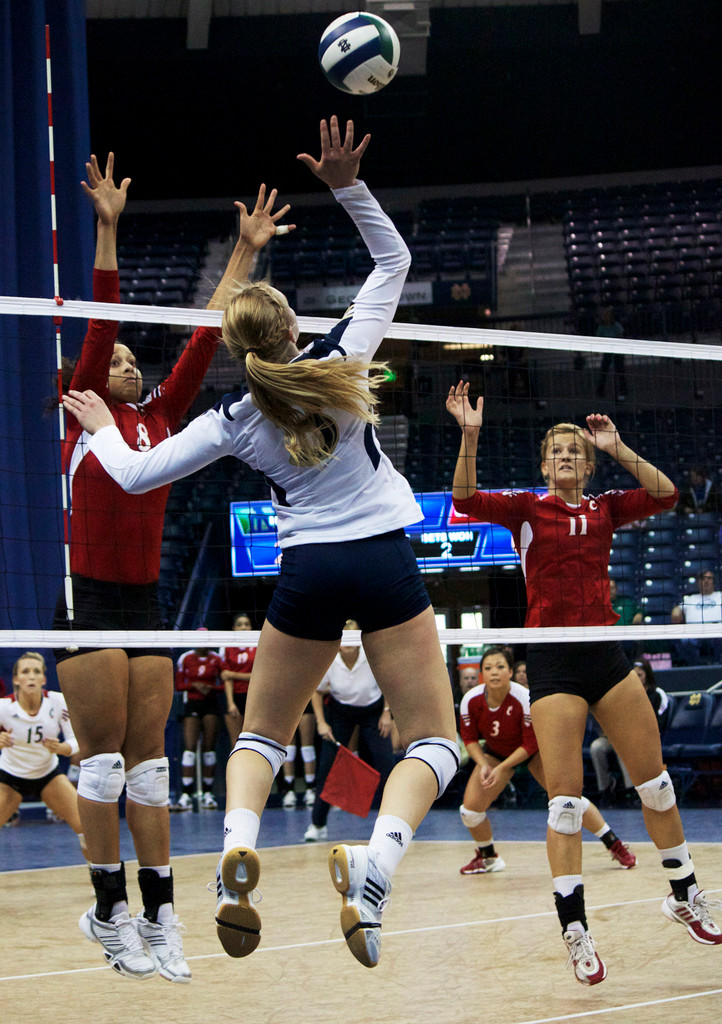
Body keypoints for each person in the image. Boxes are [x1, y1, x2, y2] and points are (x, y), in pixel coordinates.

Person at [62, 117, 460, 971]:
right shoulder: (344, 356)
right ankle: (376, 864)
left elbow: (136, 474)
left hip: (307, 571)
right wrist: (347, 186)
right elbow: (394, 263)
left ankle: (237, 850)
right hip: (384, 561)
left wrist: (100, 429)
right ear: (288, 323)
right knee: (435, 741)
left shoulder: (233, 418)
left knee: (263, 735)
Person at [53, 152, 294, 982]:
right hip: (89, 600)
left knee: (150, 769)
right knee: (103, 763)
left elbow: (206, 335)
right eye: (117, 361)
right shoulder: (86, 413)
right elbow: (98, 326)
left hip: (146, 601)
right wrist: (107, 229)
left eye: (132, 361)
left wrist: (246, 250)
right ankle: (108, 909)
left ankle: (160, 916)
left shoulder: (159, 419)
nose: (128, 364)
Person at [447, 382, 721, 986]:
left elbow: (667, 494)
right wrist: (469, 434)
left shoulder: (605, 508)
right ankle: (575, 929)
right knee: (566, 804)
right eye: (557, 451)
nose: (566, 456)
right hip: (553, 661)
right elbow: (463, 497)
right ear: (544, 466)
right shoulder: (527, 509)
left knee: (656, 786)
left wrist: (617, 447)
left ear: (588, 464)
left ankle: (684, 894)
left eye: (576, 451)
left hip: (605, 654)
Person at [458, 646, 635, 875]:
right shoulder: (470, 700)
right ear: (482, 673)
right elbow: (470, 739)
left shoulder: (523, 697)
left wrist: (501, 768)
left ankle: (614, 844)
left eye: (500, 667)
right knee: (470, 811)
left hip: (534, 753)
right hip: (495, 754)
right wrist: (483, 764)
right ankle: (488, 857)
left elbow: (530, 744)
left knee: (568, 800)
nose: (494, 672)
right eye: (488, 668)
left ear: (510, 672)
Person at [305, 619, 395, 842]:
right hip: (340, 713)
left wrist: (387, 712)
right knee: (327, 766)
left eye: (352, 636)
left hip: (373, 712)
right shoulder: (329, 659)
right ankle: (318, 824)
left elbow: (390, 682)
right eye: (344, 636)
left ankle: (396, 825)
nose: (347, 641)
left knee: (387, 766)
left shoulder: (371, 656)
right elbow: (316, 691)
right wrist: (321, 723)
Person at [0, 653, 86, 856]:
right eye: (25, 672)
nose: (31, 676)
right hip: (10, 777)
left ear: (44, 679)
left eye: (36, 671)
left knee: (87, 827)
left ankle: (98, 873)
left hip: (48, 775)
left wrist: (62, 748)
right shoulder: (4, 706)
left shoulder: (56, 701)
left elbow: (75, 740)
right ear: (16, 679)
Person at [590, 658, 671, 805]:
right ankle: (605, 788)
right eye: (634, 675)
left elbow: (660, 721)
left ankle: (631, 790)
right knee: (596, 747)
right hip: (617, 735)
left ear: (647, 675)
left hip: (641, 736)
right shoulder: (623, 693)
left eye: (640, 675)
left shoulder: (657, 694)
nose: (637, 678)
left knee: (622, 746)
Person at [173, 630, 223, 811]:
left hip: (211, 704)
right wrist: (194, 685)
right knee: (190, 749)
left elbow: (225, 683)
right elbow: (178, 685)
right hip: (192, 704)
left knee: (209, 749)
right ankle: (186, 794)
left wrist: (210, 688)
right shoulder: (185, 658)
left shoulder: (217, 659)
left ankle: (208, 793)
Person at [219, 613, 257, 746]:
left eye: (247, 624)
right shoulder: (226, 646)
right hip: (235, 696)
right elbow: (225, 677)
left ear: (251, 627)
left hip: (254, 697)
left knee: (254, 739)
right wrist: (231, 703)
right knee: (236, 741)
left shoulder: (258, 644)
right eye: (240, 625)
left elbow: (258, 676)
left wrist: (233, 674)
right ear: (234, 628)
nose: (243, 627)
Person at [670, 569, 722, 665]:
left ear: (713, 581)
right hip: (694, 633)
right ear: (698, 582)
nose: (706, 581)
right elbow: (678, 609)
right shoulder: (691, 599)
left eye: (709, 578)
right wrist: (676, 610)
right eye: (703, 578)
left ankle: (717, 664)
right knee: (685, 642)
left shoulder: (720, 595)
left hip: (717, 632)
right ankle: (696, 667)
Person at [279, 706, 317, 810]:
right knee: (289, 749)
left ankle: (310, 789)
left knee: (307, 748)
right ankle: (289, 790)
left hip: (306, 704)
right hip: (286, 704)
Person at [594, 306, 626, 401]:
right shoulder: (601, 327)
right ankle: (600, 390)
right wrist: (597, 350)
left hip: (617, 352)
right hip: (608, 352)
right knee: (604, 371)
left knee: (620, 371)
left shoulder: (616, 325)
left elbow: (621, 337)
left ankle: (623, 390)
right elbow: (598, 339)